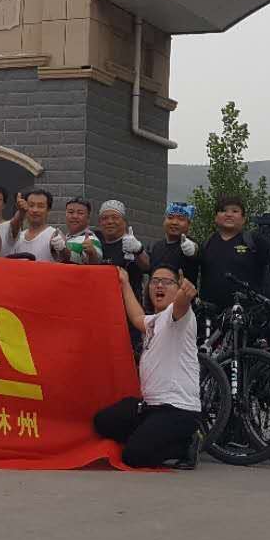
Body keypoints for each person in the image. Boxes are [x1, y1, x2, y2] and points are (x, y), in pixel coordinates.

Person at [93, 266, 202, 469]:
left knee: (133, 457)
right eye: (155, 281)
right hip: (150, 407)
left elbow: (181, 304)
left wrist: (185, 294)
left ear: (177, 287)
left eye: (167, 282)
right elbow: (137, 318)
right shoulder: (155, 320)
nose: (159, 285)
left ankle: (186, 443)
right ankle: (149, 435)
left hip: (177, 410)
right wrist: (125, 283)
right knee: (103, 422)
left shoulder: (180, 317)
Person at [199, 196, 270, 309]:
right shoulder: (207, 242)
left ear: (243, 219)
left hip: (247, 313)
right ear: (215, 218)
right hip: (209, 313)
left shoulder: (253, 239)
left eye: (235, 211)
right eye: (223, 210)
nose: (229, 214)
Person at [92, 200, 149, 305]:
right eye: (105, 218)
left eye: (115, 217)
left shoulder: (130, 243)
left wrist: (139, 250)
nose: (110, 221)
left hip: (127, 308)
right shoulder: (96, 242)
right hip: (100, 303)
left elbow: (147, 267)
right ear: (99, 223)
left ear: (124, 222)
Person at [1, 189, 71, 262]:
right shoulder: (19, 236)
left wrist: (63, 249)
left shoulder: (54, 235)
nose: (35, 210)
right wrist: (20, 212)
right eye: (31, 205)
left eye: (40, 206)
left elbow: (67, 260)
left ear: (48, 210)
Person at [146, 202, 202, 287]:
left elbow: (197, 252)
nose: (174, 222)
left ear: (189, 224)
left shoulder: (190, 245)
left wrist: (193, 250)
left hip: (182, 294)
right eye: (170, 217)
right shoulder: (157, 246)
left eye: (181, 219)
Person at [60, 198, 104, 263]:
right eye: (70, 212)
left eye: (80, 213)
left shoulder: (91, 240)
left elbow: (96, 263)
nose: (74, 216)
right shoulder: (63, 237)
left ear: (88, 218)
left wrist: (92, 253)